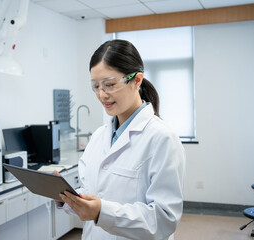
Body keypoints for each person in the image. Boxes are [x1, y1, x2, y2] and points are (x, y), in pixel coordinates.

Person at [58, 39, 185, 240]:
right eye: (96, 86)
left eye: (109, 85)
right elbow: (91, 190)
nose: (102, 95)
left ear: (137, 80)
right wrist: (68, 197)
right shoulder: (99, 136)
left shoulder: (162, 138)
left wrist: (102, 212)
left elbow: (164, 219)